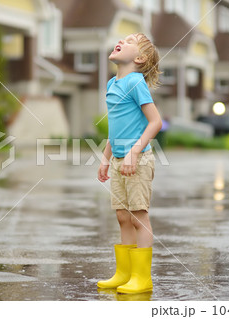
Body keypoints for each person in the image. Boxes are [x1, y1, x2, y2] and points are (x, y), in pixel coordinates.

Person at [97, 33, 162, 294]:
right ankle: (124, 274)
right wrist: (105, 157)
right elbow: (116, 127)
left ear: (139, 58)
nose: (121, 40)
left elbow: (155, 121)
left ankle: (142, 277)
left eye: (130, 40)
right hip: (119, 160)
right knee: (123, 216)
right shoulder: (113, 83)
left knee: (138, 216)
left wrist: (135, 152)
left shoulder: (135, 82)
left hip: (138, 159)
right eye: (122, 38)